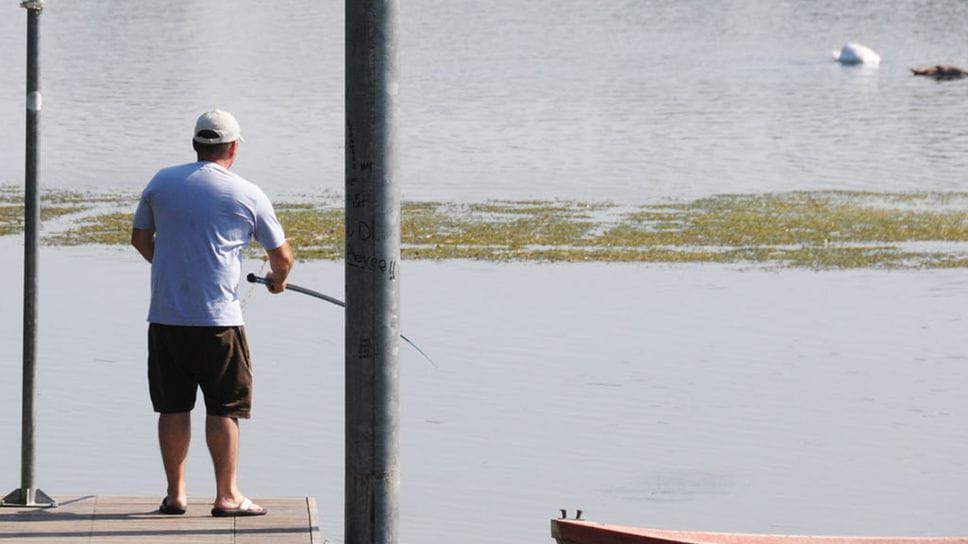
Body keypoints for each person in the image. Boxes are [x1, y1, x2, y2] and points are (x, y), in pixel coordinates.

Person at [131, 109, 293, 517]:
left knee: (172, 406)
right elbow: (282, 256)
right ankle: (226, 496)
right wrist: (277, 279)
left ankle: (176, 495)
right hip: (220, 321)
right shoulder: (246, 193)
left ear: (195, 144)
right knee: (224, 408)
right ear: (233, 147)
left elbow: (139, 238)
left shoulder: (162, 182)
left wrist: (170, 268)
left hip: (166, 317)